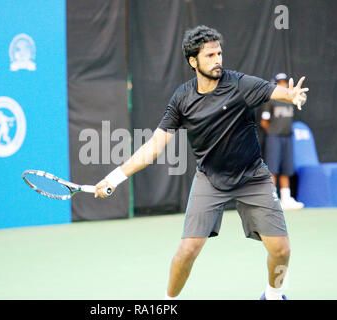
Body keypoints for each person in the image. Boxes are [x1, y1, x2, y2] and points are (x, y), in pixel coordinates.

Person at [94, 26, 308, 300]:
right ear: (193, 61)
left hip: (252, 177)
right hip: (211, 180)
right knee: (187, 251)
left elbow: (274, 92)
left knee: (281, 250)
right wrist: (114, 178)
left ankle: (274, 294)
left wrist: (291, 95)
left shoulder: (240, 84)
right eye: (209, 55)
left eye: (219, 53)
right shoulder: (182, 99)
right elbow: (153, 147)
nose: (217, 59)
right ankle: (168, 302)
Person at [260, 73, 304, 210]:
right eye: (281, 82)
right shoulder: (270, 101)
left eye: (285, 82)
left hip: (288, 137)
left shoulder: (290, 100)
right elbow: (264, 122)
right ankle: (273, 199)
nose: (284, 84)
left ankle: (286, 198)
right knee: (273, 168)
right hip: (274, 138)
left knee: (287, 168)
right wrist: (274, 132)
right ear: (275, 83)